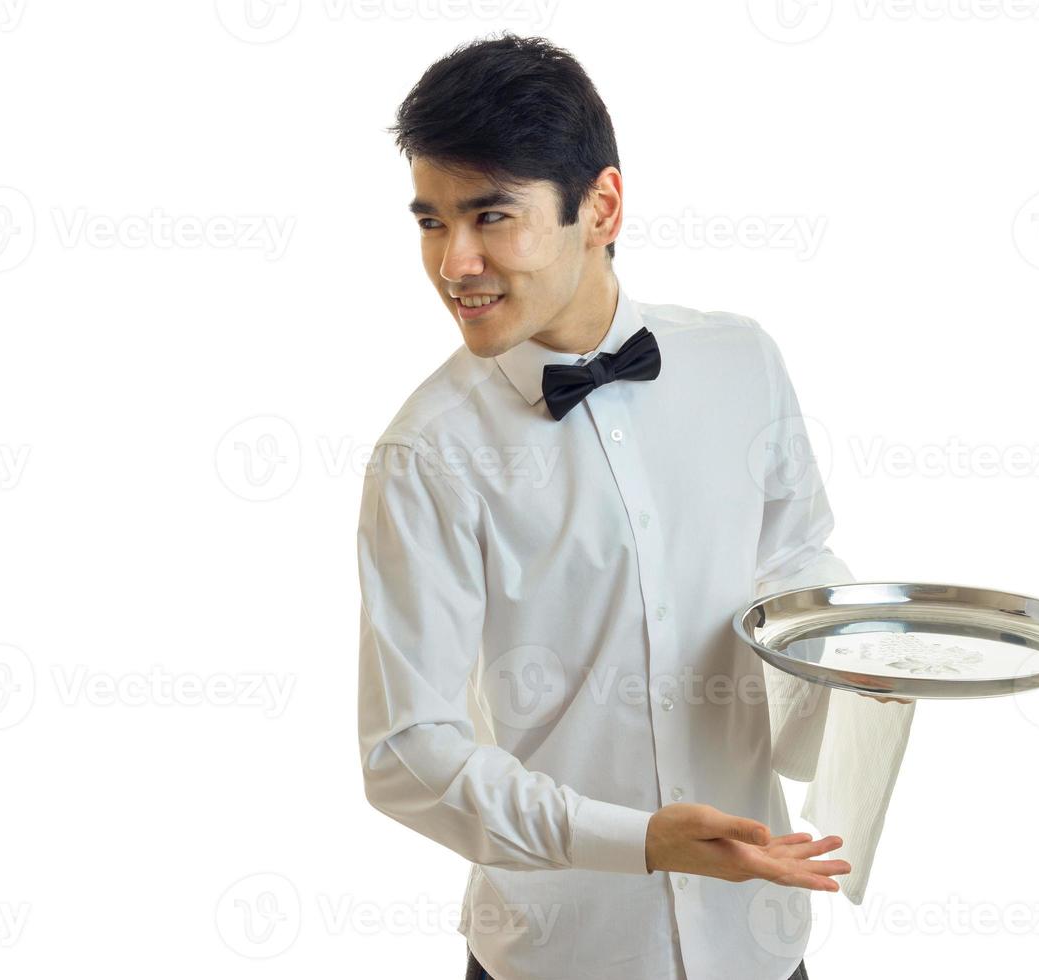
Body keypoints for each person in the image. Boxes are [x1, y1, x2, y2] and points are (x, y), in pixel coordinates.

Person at [357, 32, 915, 980]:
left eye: (492, 216)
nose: (455, 262)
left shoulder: (742, 362)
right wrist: (637, 839)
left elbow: (794, 566)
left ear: (601, 207)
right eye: (430, 221)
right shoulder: (426, 454)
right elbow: (408, 752)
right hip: (558, 954)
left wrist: (862, 658)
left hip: (760, 941)